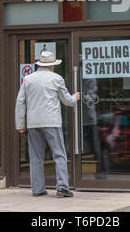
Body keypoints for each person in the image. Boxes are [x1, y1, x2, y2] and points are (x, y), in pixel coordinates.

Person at [15, 51, 80, 197]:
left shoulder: (28, 79)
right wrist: (75, 98)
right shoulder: (56, 78)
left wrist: (20, 124)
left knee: (36, 156)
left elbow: (20, 102)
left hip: (33, 123)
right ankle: (62, 187)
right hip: (51, 121)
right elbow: (66, 100)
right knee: (59, 154)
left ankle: (37, 189)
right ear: (52, 65)